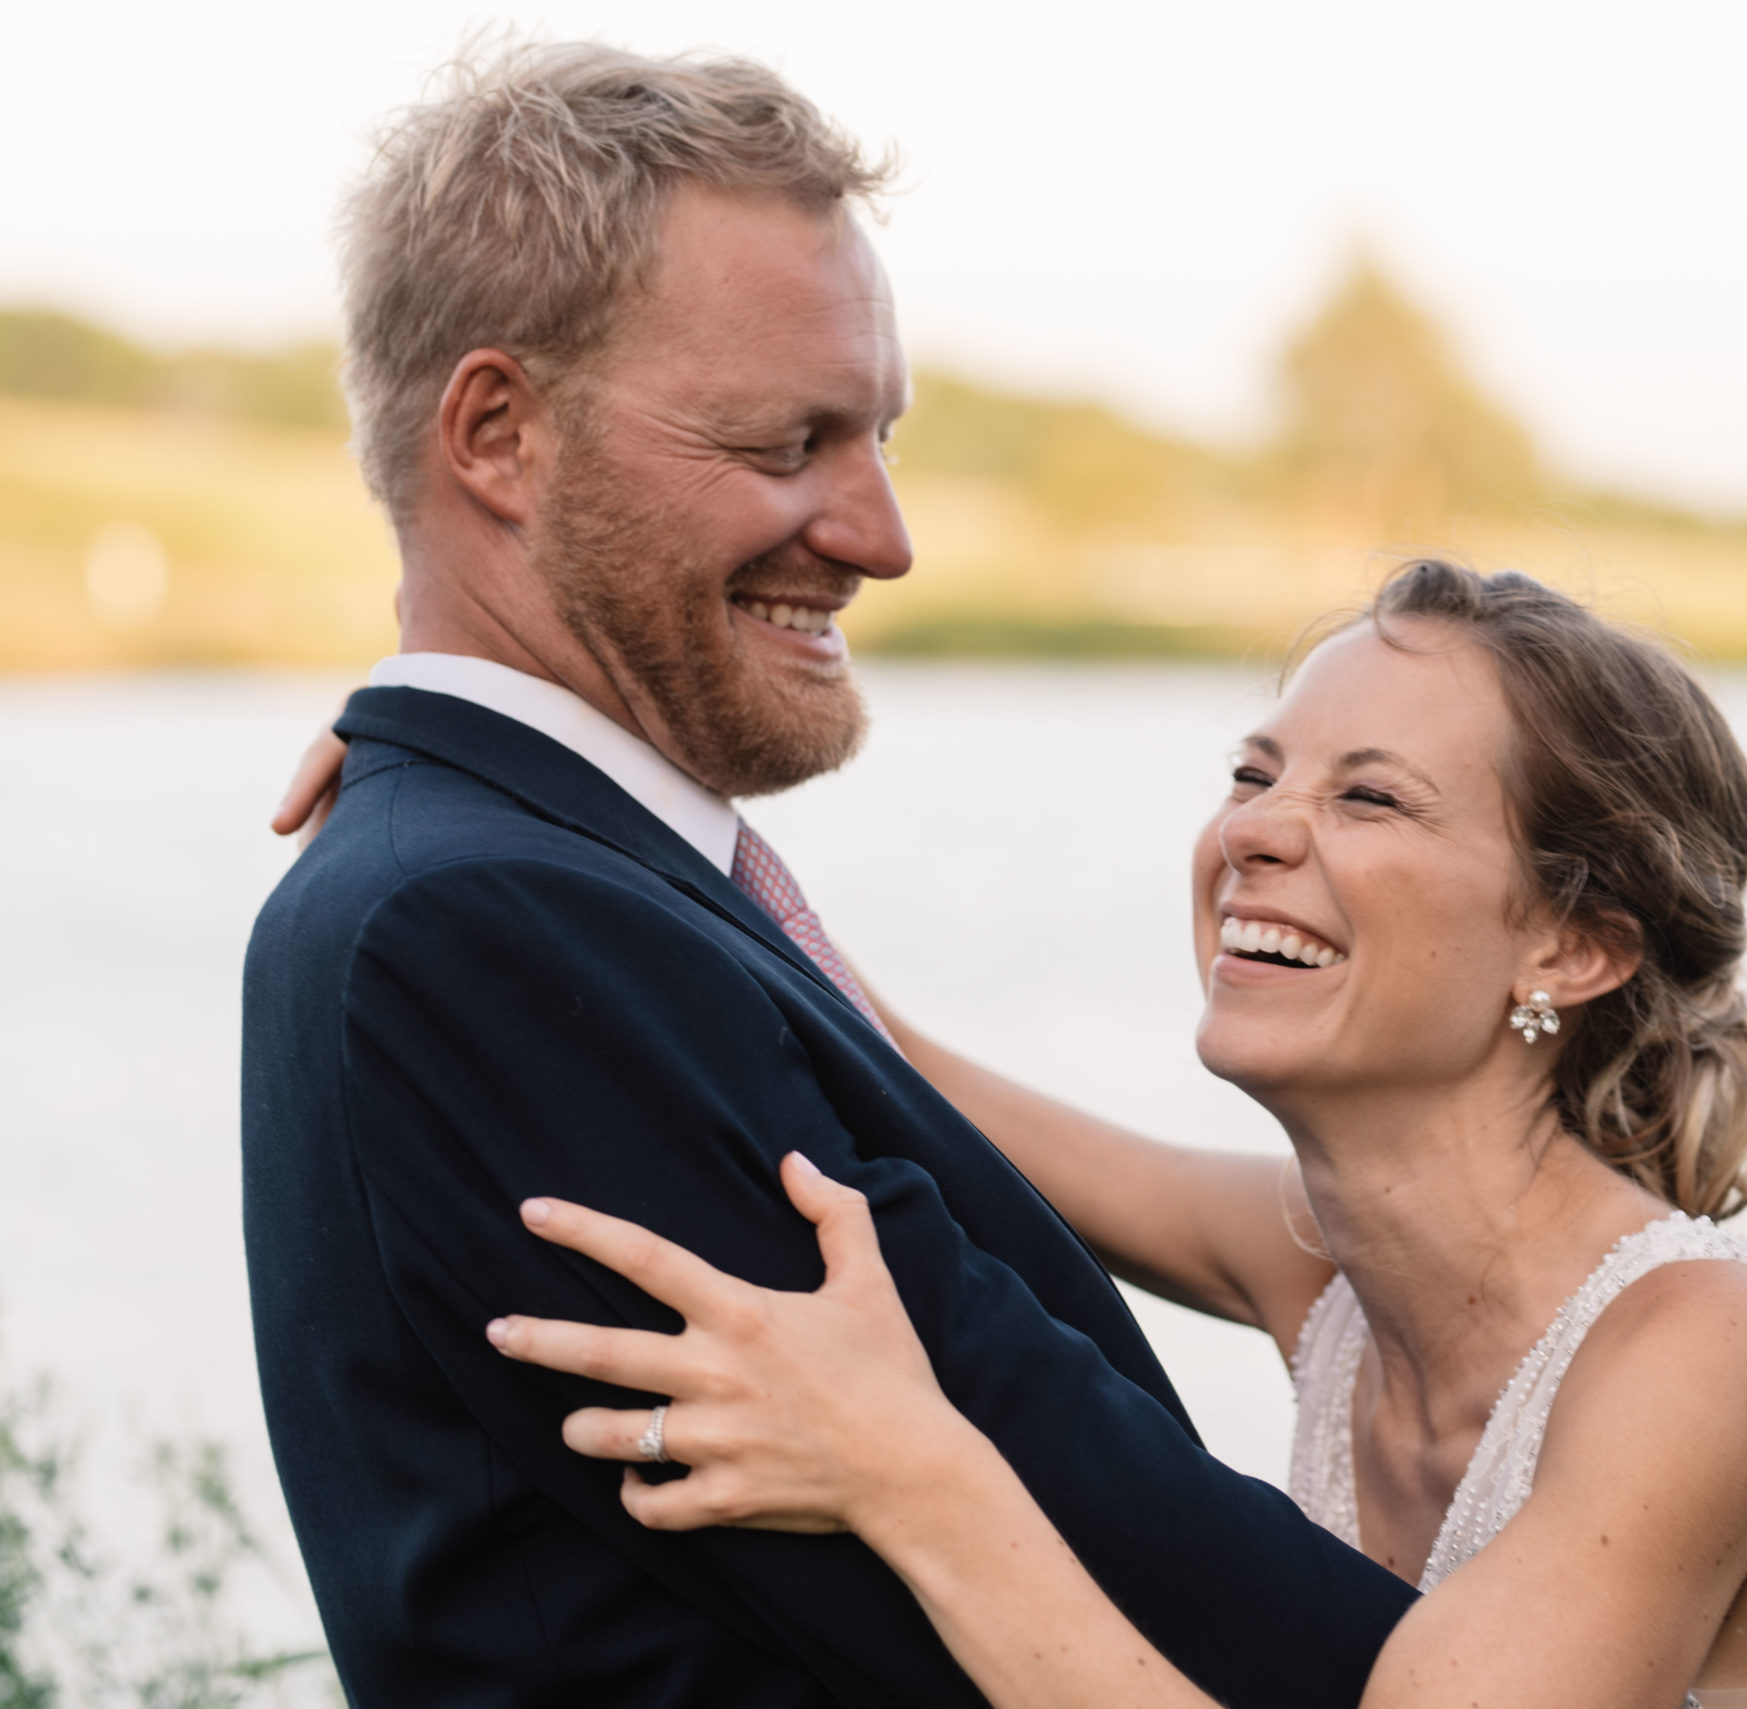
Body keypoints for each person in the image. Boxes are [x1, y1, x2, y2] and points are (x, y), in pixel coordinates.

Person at [241, 43, 1416, 1707]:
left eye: (879, 436)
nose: (882, 534)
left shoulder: (540, 877)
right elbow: (1059, 1514)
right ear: (499, 435)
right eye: (793, 441)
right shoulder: (485, 928)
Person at [470, 562, 1747, 1707]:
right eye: (1253, 773)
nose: (1257, 832)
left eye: (1369, 795)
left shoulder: (1704, 1354)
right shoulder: (1331, 1270)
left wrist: (907, 1471)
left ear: (1571, 944)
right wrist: (501, 796)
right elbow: (891, 1057)